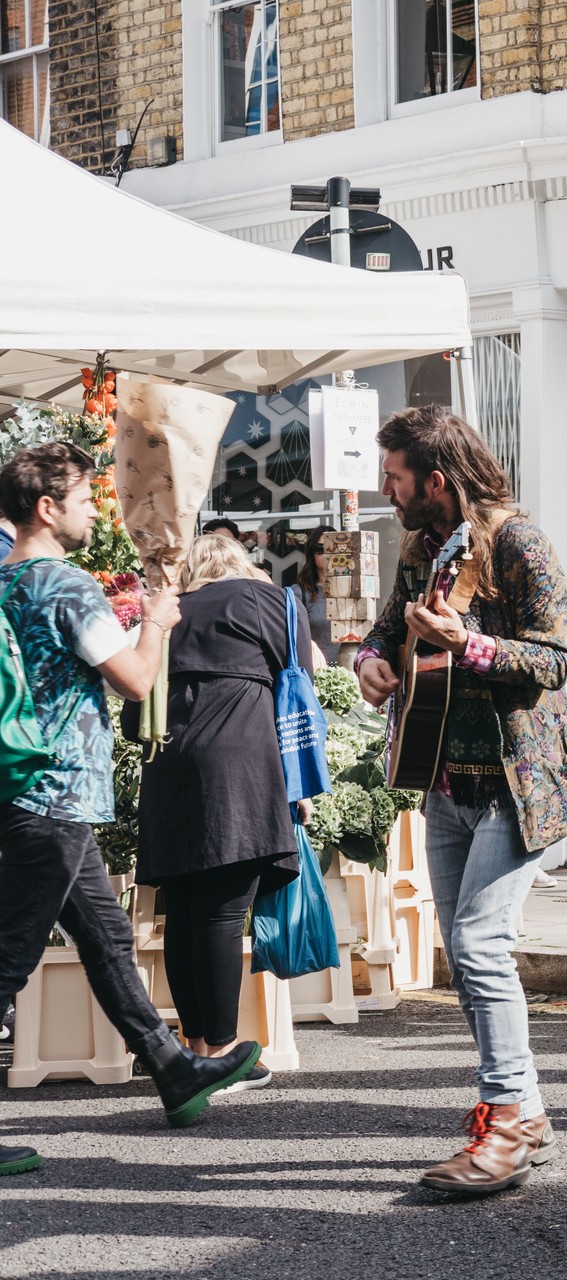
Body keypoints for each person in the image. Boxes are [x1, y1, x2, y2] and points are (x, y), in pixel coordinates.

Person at [0, 443, 261, 1180]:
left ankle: (174, 1070)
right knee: (8, 958)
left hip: (28, 790)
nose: (94, 510)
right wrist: (157, 620)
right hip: (53, 795)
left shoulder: (5, 582)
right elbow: (137, 680)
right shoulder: (65, 585)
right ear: (47, 507)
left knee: (108, 942)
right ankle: (174, 1067)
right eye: (85, 498)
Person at [355, 406, 567, 1196]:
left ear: (437, 481)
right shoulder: (423, 547)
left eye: (395, 478)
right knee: (467, 956)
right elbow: (387, 632)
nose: (387, 491)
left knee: (482, 949)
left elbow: (558, 658)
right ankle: (529, 1109)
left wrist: (471, 646)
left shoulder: (517, 542)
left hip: (519, 787)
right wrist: (371, 662)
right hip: (446, 781)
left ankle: (508, 1120)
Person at [135, 535, 318, 1089]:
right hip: (238, 763)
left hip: (168, 765)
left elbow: (133, 706)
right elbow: (301, 676)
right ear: (242, 564)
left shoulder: (168, 612)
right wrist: (300, 783)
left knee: (186, 913)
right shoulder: (268, 600)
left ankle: (195, 1047)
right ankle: (222, 1048)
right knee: (219, 913)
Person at [297, 543, 340, 666]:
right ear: (312, 553)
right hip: (317, 673)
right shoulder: (300, 593)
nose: (326, 553)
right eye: (320, 549)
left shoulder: (355, 590)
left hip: (352, 671)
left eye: (332, 548)